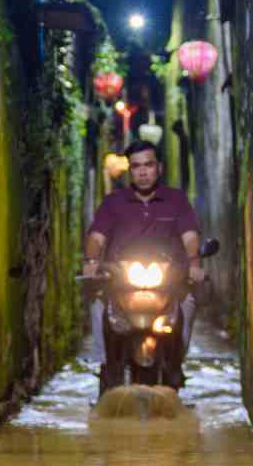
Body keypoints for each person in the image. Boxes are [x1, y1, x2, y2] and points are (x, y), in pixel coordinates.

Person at [83, 140, 204, 392]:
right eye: (136, 166)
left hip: (168, 280)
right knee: (97, 303)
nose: (143, 171)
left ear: (159, 167)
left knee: (189, 302)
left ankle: (175, 362)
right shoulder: (114, 202)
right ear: (130, 170)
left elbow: (190, 236)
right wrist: (92, 262)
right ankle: (104, 363)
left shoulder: (176, 200)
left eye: (148, 165)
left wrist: (194, 264)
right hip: (120, 280)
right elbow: (97, 237)